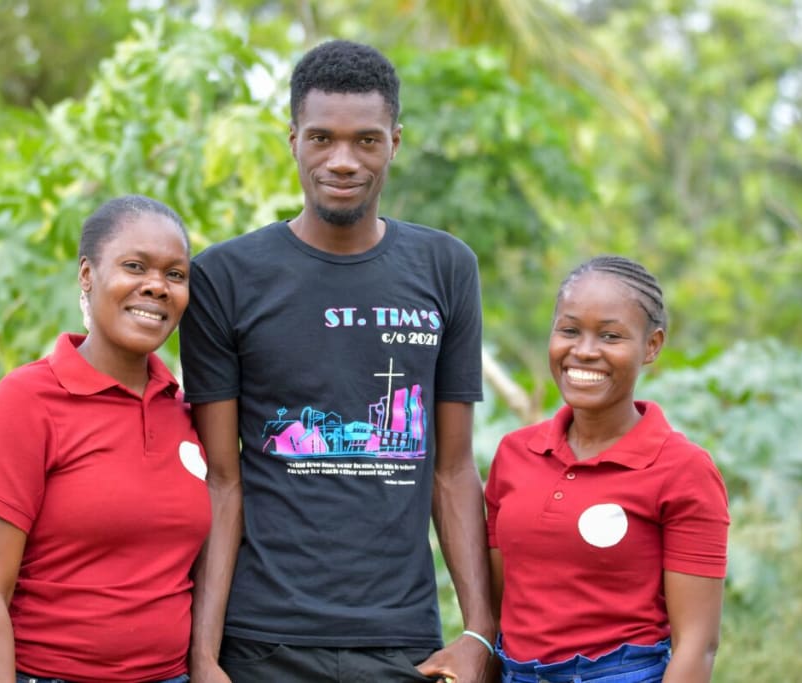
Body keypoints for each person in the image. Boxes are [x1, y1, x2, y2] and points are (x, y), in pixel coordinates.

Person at [179, 40, 494, 683]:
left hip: (404, 643)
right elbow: (221, 479)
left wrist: (480, 635)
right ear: (292, 139)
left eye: (366, 141)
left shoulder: (446, 268)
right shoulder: (225, 278)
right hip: (260, 641)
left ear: (395, 143)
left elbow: (453, 471)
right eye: (322, 138)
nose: (343, 161)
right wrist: (204, 656)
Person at [0, 195, 211, 683]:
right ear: (87, 275)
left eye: (175, 275)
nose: (156, 286)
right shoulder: (27, 401)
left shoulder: (184, 410)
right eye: (135, 266)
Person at [485, 255, 730, 683]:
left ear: (651, 346)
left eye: (611, 336)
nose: (584, 351)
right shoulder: (514, 454)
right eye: (569, 330)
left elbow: (697, 645)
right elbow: (500, 609)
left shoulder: (683, 469)